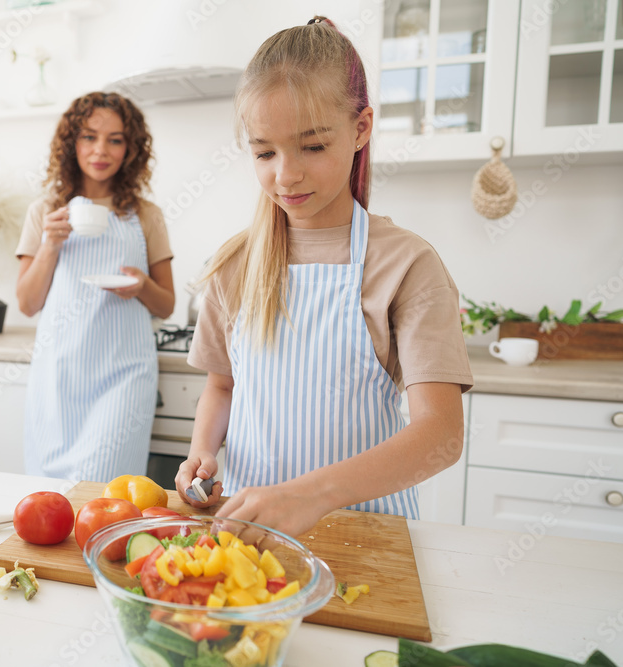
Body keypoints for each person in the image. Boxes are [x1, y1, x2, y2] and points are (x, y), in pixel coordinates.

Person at [175, 17, 474, 538]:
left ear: (361, 129)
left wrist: (309, 496)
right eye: (264, 151)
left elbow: (440, 434)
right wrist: (202, 452)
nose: (285, 174)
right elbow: (221, 386)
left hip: (368, 538)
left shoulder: (406, 264)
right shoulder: (235, 265)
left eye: (312, 146)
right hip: (249, 540)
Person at [16, 92, 175, 482]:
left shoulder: (146, 215)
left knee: (104, 491)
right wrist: (50, 244)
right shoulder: (44, 212)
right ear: (72, 143)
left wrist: (140, 286)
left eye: (115, 139)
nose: (100, 150)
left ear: (131, 149)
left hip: (123, 377)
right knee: (51, 495)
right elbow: (27, 302)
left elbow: (166, 304)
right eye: (89, 137)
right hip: (59, 375)